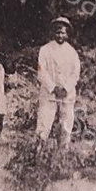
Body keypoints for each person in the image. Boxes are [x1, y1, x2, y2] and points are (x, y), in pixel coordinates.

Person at [36, 16, 81, 151]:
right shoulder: (45, 50)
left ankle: (63, 150)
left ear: (67, 34)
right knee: (44, 120)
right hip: (49, 92)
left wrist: (66, 88)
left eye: (63, 33)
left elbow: (75, 73)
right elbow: (41, 71)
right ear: (53, 33)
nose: (60, 35)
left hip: (66, 94)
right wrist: (53, 87)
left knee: (66, 121)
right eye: (57, 32)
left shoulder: (72, 52)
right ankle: (39, 149)